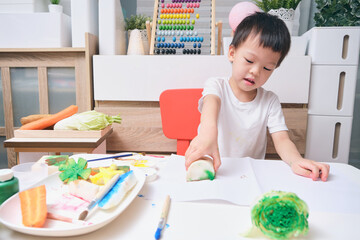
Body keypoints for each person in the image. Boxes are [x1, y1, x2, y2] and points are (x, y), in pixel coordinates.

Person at [185, 12, 330, 181]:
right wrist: (207, 136)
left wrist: (296, 160)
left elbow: (282, 140)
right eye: (249, 60)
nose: (256, 71)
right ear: (232, 53)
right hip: (215, 170)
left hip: (250, 176)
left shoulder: (270, 101)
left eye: (267, 68)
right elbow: (210, 108)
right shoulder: (216, 86)